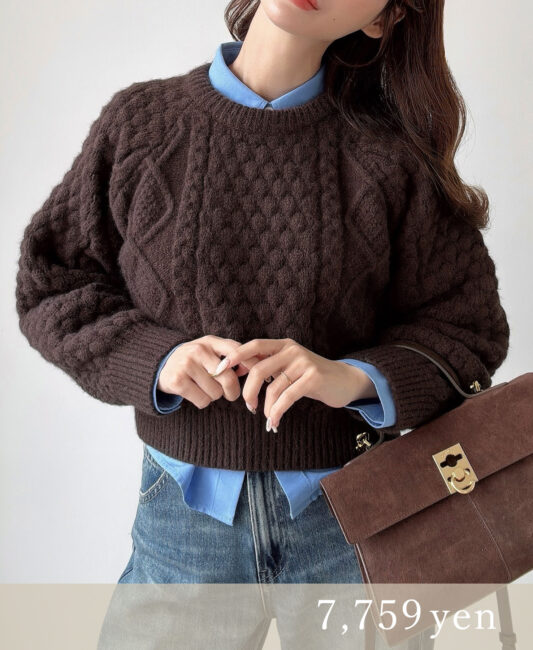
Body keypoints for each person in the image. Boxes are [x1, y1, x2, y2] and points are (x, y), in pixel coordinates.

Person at [15, 0, 510, 591]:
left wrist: (354, 378)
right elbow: (51, 282)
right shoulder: (140, 125)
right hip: (181, 521)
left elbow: (466, 331)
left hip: (358, 521)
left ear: (382, 18)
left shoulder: (391, 157)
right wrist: (157, 361)